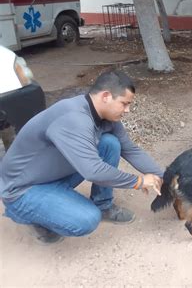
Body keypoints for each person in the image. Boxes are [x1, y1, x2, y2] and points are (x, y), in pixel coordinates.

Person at [0, 70, 163, 244]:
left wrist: (166, 177)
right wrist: (138, 181)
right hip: (23, 188)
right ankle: (31, 215)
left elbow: (130, 150)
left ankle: (103, 205)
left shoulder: (106, 119)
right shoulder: (73, 118)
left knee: (110, 143)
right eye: (124, 103)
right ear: (106, 96)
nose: (128, 110)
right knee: (86, 220)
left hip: (53, 174)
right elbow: (93, 171)